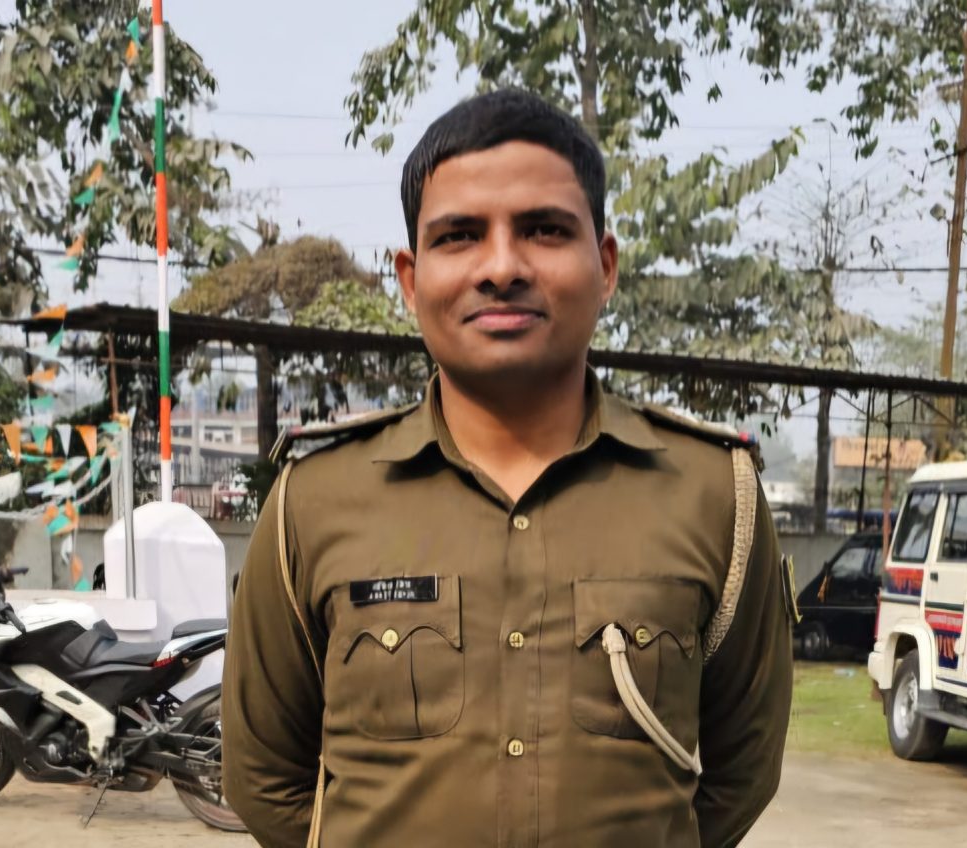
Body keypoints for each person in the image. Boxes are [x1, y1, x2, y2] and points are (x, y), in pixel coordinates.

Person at [223, 89, 795, 848]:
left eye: (544, 230)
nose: (501, 268)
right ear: (409, 278)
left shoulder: (714, 494)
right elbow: (262, 775)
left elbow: (741, 771)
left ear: (605, 265)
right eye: (459, 236)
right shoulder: (314, 499)